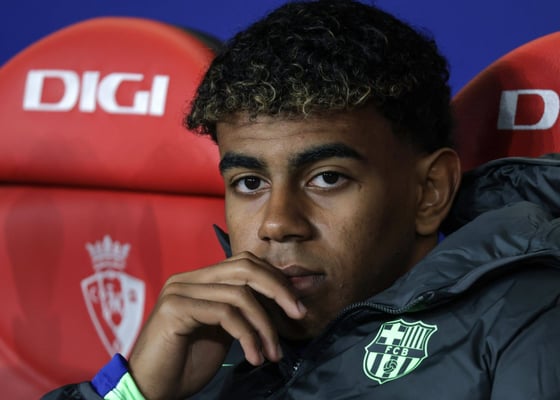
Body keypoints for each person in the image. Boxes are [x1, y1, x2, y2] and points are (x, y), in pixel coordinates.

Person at [43, 0, 560, 399]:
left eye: (327, 178)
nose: (277, 223)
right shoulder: (203, 336)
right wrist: (135, 391)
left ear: (430, 191)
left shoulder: (527, 316)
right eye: (250, 183)